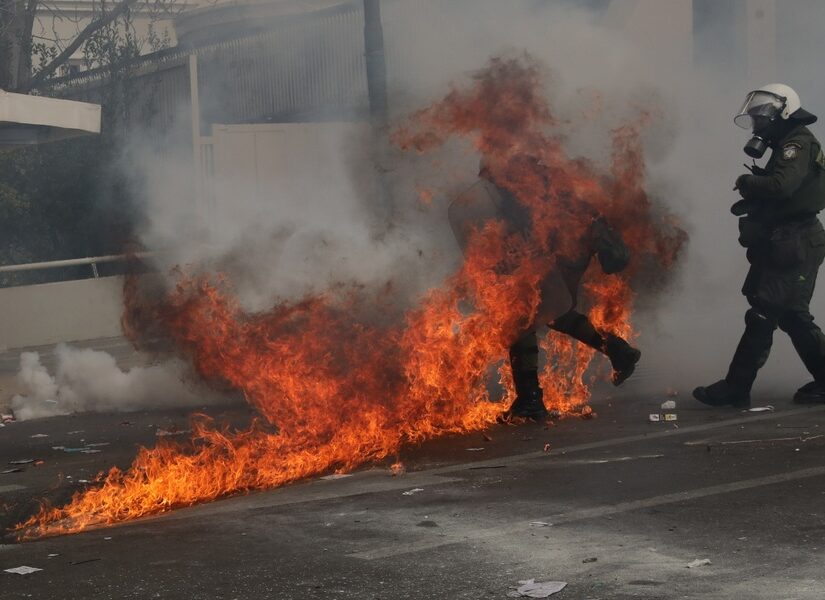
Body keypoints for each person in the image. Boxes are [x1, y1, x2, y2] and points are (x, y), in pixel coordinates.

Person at [464, 161, 641, 420]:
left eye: (486, 173)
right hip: (565, 250)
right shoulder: (524, 175)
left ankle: (530, 400)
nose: (485, 179)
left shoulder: (517, 180)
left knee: (522, 319)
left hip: (562, 249)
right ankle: (618, 351)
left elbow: (535, 225)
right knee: (555, 313)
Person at [694, 84, 825, 408]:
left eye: (762, 117)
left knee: (763, 315)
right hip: (789, 240)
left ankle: (736, 388)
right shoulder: (787, 141)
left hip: (795, 241)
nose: (758, 124)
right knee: (793, 316)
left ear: (781, 113)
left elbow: (782, 187)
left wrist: (747, 183)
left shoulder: (797, 142)